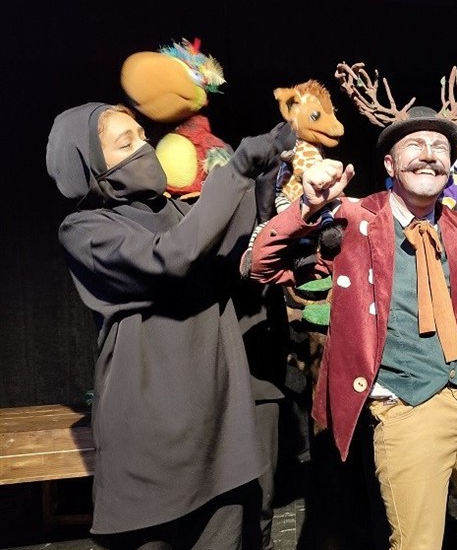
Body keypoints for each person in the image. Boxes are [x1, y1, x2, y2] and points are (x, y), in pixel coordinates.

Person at [245, 106, 457, 549]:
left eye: (439, 148)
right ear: (390, 165)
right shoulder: (352, 221)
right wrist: (307, 207)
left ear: (450, 166)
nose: (428, 154)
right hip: (406, 408)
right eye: (414, 145)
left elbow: (448, 317)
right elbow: (260, 265)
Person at [45, 102, 294, 549]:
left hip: (217, 428)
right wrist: (238, 167)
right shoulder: (85, 230)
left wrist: (269, 173)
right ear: (91, 165)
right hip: (150, 439)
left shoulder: (180, 212)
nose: (145, 149)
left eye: (143, 137)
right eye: (126, 143)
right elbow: (172, 256)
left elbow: (239, 244)